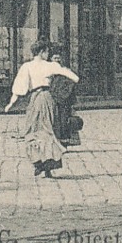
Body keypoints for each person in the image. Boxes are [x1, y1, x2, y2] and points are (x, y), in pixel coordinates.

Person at [7, 40, 77, 178]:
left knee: (33, 131)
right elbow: (75, 78)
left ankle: (38, 162)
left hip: (34, 99)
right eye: (46, 52)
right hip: (47, 98)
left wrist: (10, 103)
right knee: (48, 130)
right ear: (41, 52)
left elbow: (19, 88)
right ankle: (48, 167)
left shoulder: (27, 66)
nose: (47, 54)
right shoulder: (51, 66)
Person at [48, 46, 81, 147]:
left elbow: (72, 82)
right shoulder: (49, 71)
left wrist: (65, 95)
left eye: (58, 58)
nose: (57, 60)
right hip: (52, 100)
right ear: (51, 59)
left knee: (64, 121)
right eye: (55, 58)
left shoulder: (65, 70)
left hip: (64, 101)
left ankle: (64, 142)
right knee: (53, 122)